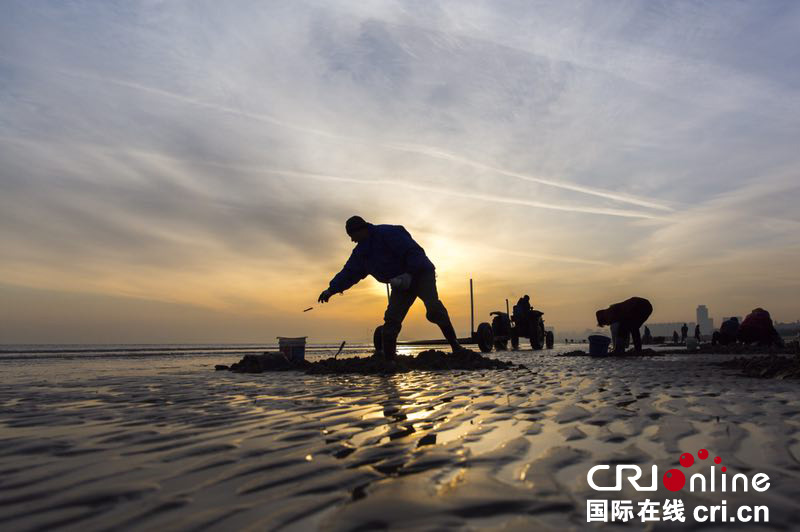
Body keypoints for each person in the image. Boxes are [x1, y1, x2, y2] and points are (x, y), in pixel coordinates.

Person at [318, 216, 462, 359]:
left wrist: (410, 273)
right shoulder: (361, 253)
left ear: (361, 229)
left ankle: (456, 347)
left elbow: (413, 251)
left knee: (434, 311)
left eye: (352, 235)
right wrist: (331, 290)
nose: (352, 240)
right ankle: (389, 362)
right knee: (391, 322)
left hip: (421, 274)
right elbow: (349, 272)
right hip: (400, 283)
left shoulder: (388, 233)